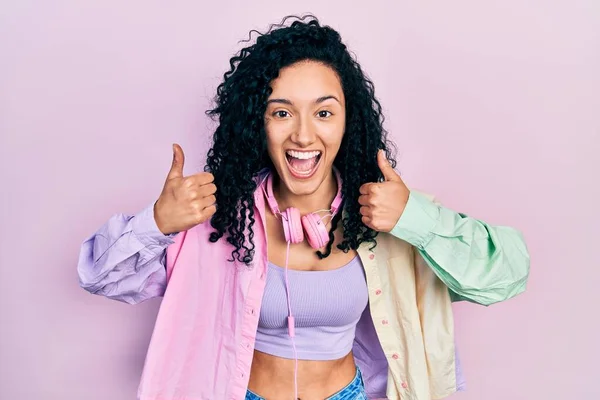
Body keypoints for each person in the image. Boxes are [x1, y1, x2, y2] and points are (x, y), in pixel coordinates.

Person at [77, 15, 530, 400]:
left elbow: (507, 276)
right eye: (281, 112)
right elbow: (99, 276)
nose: (304, 136)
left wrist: (416, 218)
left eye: (324, 112)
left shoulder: (392, 213)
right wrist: (156, 223)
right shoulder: (217, 218)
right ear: (257, 122)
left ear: (348, 121)